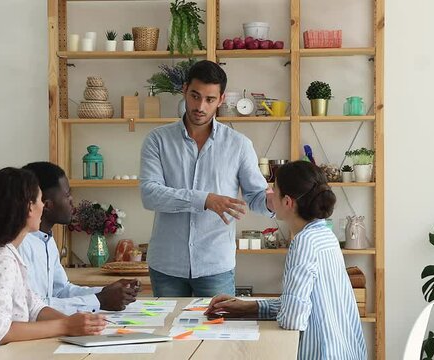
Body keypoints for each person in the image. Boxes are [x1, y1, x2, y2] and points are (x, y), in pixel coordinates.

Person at [0, 168, 106, 359]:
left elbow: (34, 307)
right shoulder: (2, 260)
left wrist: (79, 323)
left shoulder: (7, 254)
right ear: (28, 207)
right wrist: (65, 326)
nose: (44, 206)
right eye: (40, 200)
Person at [204, 161, 367, 360]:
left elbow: (293, 319)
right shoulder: (325, 235)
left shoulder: (303, 243)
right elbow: (303, 304)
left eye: (274, 189)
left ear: (288, 202)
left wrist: (273, 309)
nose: (269, 193)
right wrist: (250, 306)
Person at [140, 60, 274, 297]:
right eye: (195, 96)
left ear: (221, 100)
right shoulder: (157, 140)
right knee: (167, 333)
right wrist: (205, 200)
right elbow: (150, 194)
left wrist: (273, 202)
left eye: (210, 99)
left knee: (217, 333)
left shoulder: (239, 145)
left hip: (215, 267)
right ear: (184, 90)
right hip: (166, 266)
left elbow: (255, 196)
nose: (200, 106)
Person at [19, 161, 139, 314]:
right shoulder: (21, 244)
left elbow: (61, 291)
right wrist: (100, 300)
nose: (72, 200)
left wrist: (108, 292)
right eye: (67, 194)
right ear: (46, 204)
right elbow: (34, 308)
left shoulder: (45, 239)